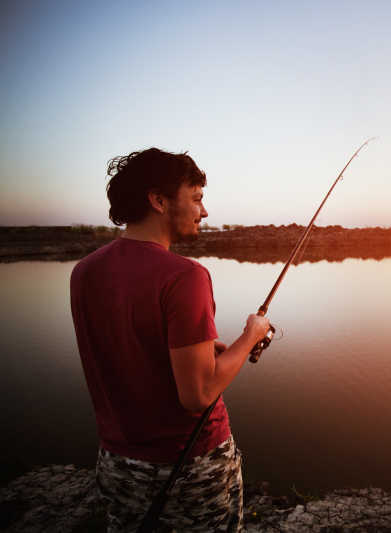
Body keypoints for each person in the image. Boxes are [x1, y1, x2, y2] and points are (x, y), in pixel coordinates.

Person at [70, 148, 270, 531]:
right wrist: (250, 336)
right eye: (196, 198)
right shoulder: (185, 276)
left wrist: (206, 348)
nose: (204, 211)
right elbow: (197, 395)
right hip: (189, 469)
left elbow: (129, 342)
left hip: (117, 466)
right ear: (158, 200)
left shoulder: (84, 272)